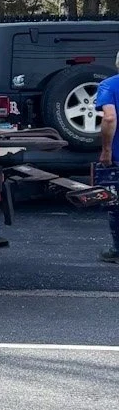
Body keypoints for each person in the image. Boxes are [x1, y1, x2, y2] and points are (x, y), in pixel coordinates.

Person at [97, 55, 119, 263]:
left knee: (116, 205)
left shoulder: (109, 85)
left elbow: (110, 118)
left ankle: (117, 251)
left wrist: (106, 150)